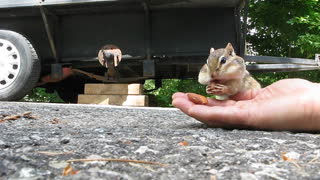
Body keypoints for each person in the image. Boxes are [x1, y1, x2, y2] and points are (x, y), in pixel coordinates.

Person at [172, 79, 320, 131]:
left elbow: (238, 87)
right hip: (243, 99)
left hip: (250, 98)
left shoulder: (238, 72)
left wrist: (310, 104)